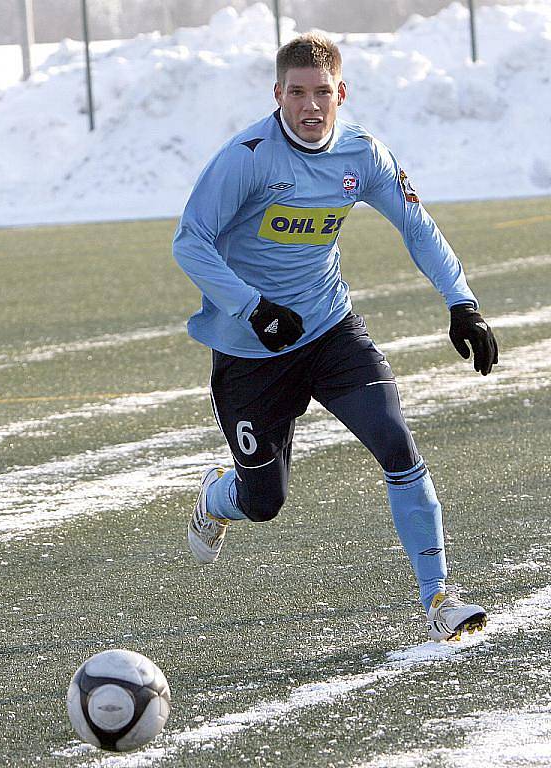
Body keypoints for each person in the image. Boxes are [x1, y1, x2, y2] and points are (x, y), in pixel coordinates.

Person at [172, 33, 498, 642]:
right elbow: (190, 242)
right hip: (251, 352)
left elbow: (416, 225)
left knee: (396, 444)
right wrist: (251, 307)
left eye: (323, 92)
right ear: (278, 95)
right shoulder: (246, 157)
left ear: (341, 93)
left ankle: (440, 598)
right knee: (263, 502)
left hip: (330, 332)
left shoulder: (362, 153)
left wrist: (462, 302)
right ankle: (217, 497)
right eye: (297, 93)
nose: (310, 105)